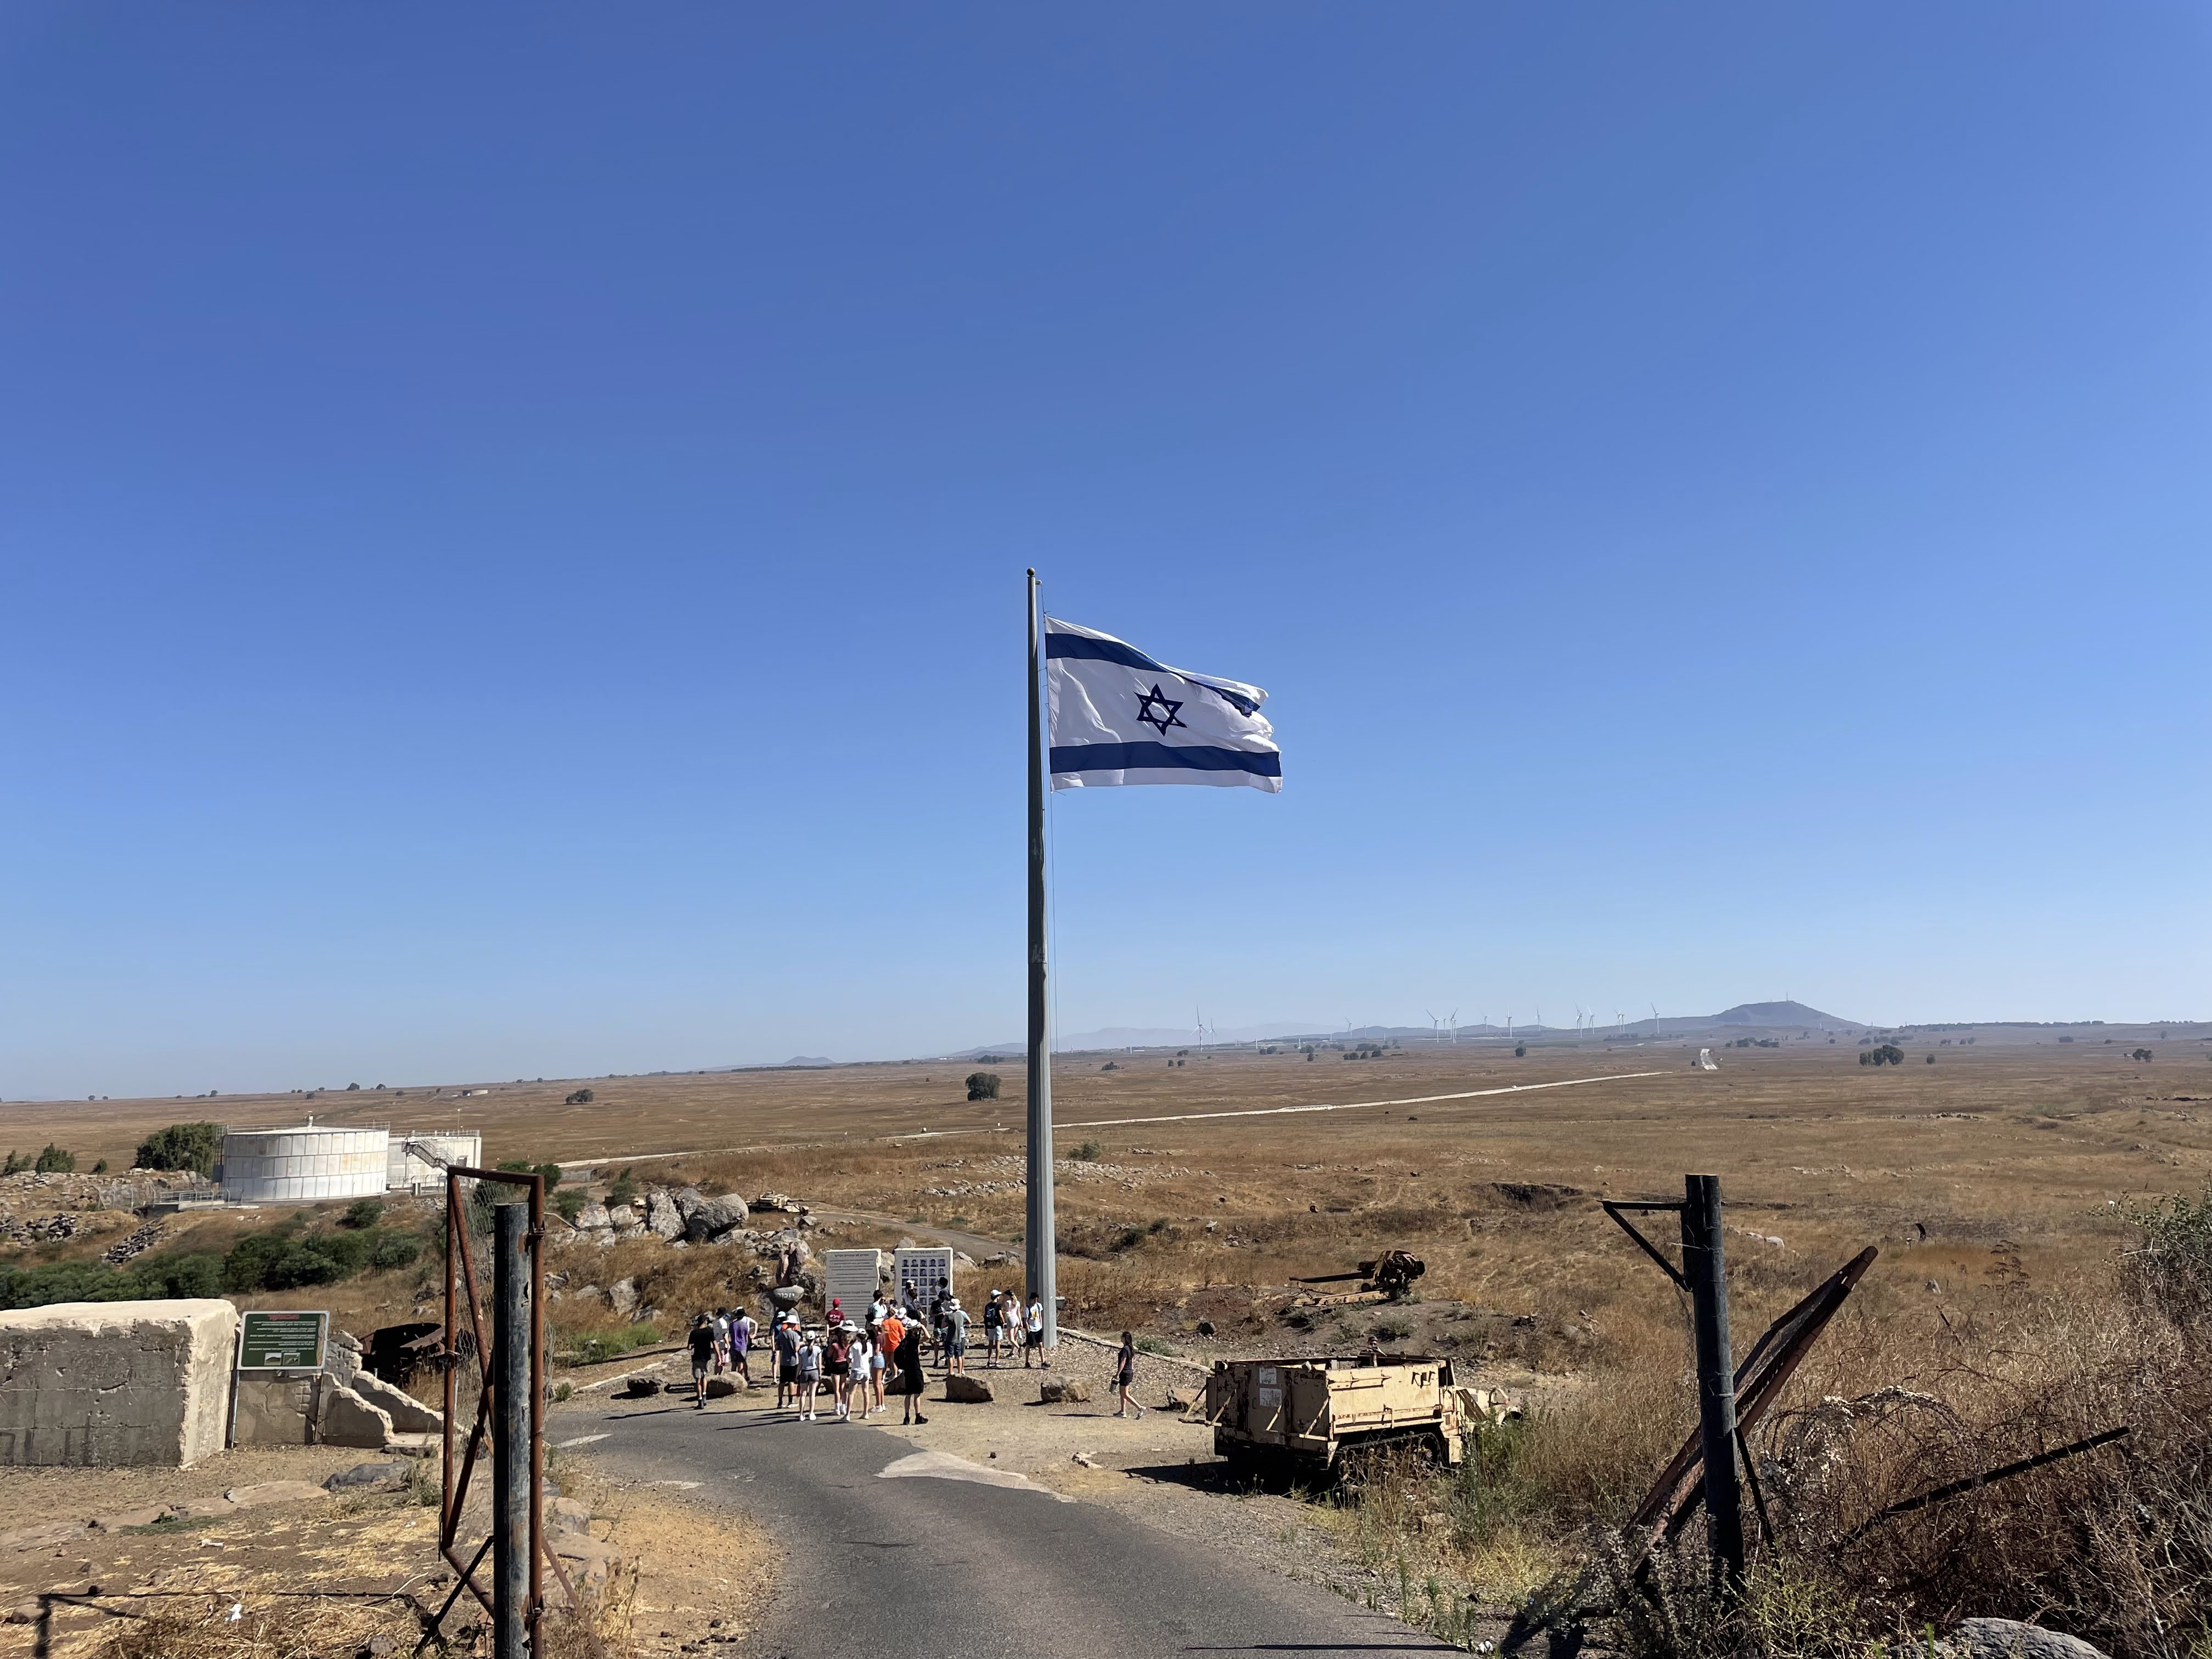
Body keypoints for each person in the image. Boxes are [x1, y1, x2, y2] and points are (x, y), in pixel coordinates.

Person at [891, 1313, 928, 1425]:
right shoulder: (914, 1340)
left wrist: (919, 1353)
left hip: (907, 1370)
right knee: (917, 1394)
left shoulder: (905, 1342)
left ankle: (906, 1417)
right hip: (915, 1369)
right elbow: (928, 1337)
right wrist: (923, 1327)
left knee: (908, 1395)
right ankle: (918, 1416)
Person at [686, 1314, 718, 1410]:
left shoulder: (694, 1333)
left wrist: (692, 1348)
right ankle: (704, 1396)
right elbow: (715, 1345)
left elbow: (689, 1347)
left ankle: (700, 1401)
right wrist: (719, 1356)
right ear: (705, 1322)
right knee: (704, 1377)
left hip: (697, 1358)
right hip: (706, 1358)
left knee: (698, 1380)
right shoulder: (709, 1332)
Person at [842, 1323, 871, 1421]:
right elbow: (870, 1358)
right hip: (866, 1371)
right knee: (866, 1392)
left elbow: (849, 1360)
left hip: (857, 1370)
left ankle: (848, 1415)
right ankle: (866, 1413)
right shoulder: (869, 1346)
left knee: (851, 1393)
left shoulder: (855, 1347)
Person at [1113, 1329, 1144, 1419]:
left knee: (1125, 1394)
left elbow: (1123, 1362)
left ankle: (1140, 1408)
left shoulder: (1125, 1349)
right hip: (1129, 1372)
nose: (1120, 1338)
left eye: (1122, 1337)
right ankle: (1123, 1411)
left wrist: (1117, 1374)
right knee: (1122, 1392)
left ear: (1125, 1339)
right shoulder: (1130, 1348)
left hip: (1125, 1373)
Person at [774, 1314, 801, 1410]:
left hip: (783, 1360)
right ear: (793, 1324)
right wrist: (801, 1344)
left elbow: (777, 1347)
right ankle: (790, 1401)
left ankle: (780, 1402)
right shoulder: (795, 1335)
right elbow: (796, 1348)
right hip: (793, 1360)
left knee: (782, 1381)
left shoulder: (781, 1334)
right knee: (791, 1381)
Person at [797, 1325, 823, 1421]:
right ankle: (811, 1413)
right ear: (814, 1339)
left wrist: (797, 1375)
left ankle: (801, 1414)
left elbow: (800, 1364)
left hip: (804, 1372)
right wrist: (820, 1374)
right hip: (814, 1372)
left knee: (803, 1394)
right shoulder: (818, 1349)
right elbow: (819, 1363)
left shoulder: (801, 1350)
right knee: (812, 1394)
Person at [866, 1318, 888, 1413]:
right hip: (881, 1358)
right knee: (880, 1384)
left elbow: (877, 1351)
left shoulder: (877, 1338)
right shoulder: (882, 1336)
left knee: (876, 1384)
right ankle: (881, 1404)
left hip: (877, 1359)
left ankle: (879, 1404)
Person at [942, 1297, 969, 1375]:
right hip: (959, 1338)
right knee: (959, 1355)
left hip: (950, 1338)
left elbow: (943, 1326)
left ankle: (951, 1372)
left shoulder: (949, 1316)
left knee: (951, 1356)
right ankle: (960, 1372)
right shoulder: (961, 1315)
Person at [730, 1308, 755, 1387]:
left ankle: (732, 1381)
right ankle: (740, 1382)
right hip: (742, 1346)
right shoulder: (745, 1326)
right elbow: (746, 1337)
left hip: (734, 1346)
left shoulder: (732, 1324)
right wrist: (746, 1344)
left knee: (734, 1364)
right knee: (741, 1364)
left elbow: (731, 1335)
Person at [981, 1290, 1005, 1368]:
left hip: (990, 1326)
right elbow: (1001, 1315)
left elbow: (985, 1317)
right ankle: (997, 1361)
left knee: (990, 1343)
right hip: (997, 1326)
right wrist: (1003, 1323)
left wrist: (986, 1328)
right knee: (998, 1343)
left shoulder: (987, 1306)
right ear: (997, 1297)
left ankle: (989, 1361)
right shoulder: (998, 1305)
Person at [1024, 1294, 1047, 1368]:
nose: (1036, 1301)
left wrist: (1041, 1325)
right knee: (1029, 1346)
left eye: (1037, 1300)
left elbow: (1040, 1315)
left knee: (1040, 1345)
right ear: (1031, 1299)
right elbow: (1026, 1320)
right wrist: (1028, 1329)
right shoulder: (1027, 1308)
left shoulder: (1039, 1306)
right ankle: (1027, 1362)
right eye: (1034, 1300)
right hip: (1031, 1329)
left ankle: (1043, 1362)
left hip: (1038, 1328)